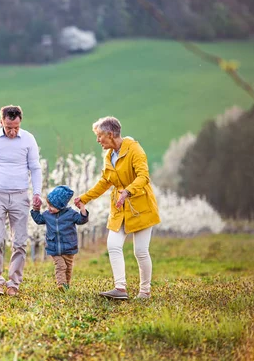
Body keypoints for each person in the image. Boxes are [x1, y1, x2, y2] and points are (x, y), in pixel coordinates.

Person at [74, 116, 160, 300]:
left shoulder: (134, 150)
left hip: (140, 206)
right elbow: (105, 182)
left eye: (99, 136)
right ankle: (120, 288)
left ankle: (145, 291)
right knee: (113, 245)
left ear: (110, 134)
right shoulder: (109, 155)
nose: (97, 140)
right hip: (119, 208)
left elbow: (144, 176)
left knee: (141, 251)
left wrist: (127, 192)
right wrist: (85, 198)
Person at [0, 105, 42, 296]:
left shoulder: (28, 139)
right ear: (1, 123)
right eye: (8, 127)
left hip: (20, 195)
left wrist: (37, 192)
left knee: (20, 241)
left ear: (20, 121)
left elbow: (35, 168)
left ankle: (14, 283)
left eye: (15, 127)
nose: (12, 131)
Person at [31, 185, 89, 291]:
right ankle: (61, 284)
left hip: (69, 247)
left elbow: (82, 220)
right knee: (60, 265)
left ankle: (66, 286)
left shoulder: (70, 214)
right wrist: (36, 209)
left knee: (68, 268)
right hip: (53, 247)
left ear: (61, 206)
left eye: (52, 206)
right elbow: (39, 220)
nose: (49, 208)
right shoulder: (47, 215)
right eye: (48, 205)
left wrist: (82, 209)